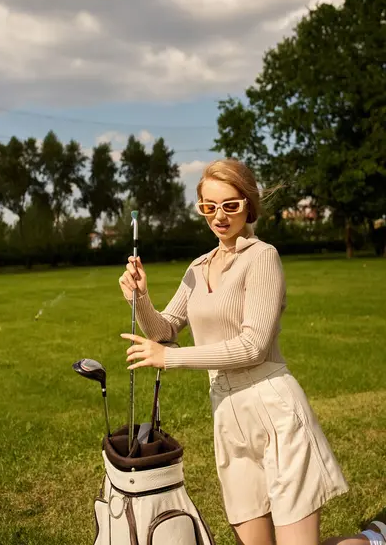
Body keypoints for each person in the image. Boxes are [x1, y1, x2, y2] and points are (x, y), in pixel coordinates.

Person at [118, 158, 386, 545]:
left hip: (274, 412)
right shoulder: (196, 267)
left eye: (230, 205)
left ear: (249, 204)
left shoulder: (263, 258)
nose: (219, 216)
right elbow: (164, 329)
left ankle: (372, 539)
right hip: (227, 417)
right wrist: (141, 299)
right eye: (208, 206)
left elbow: (253, 346)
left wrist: (171, 358)